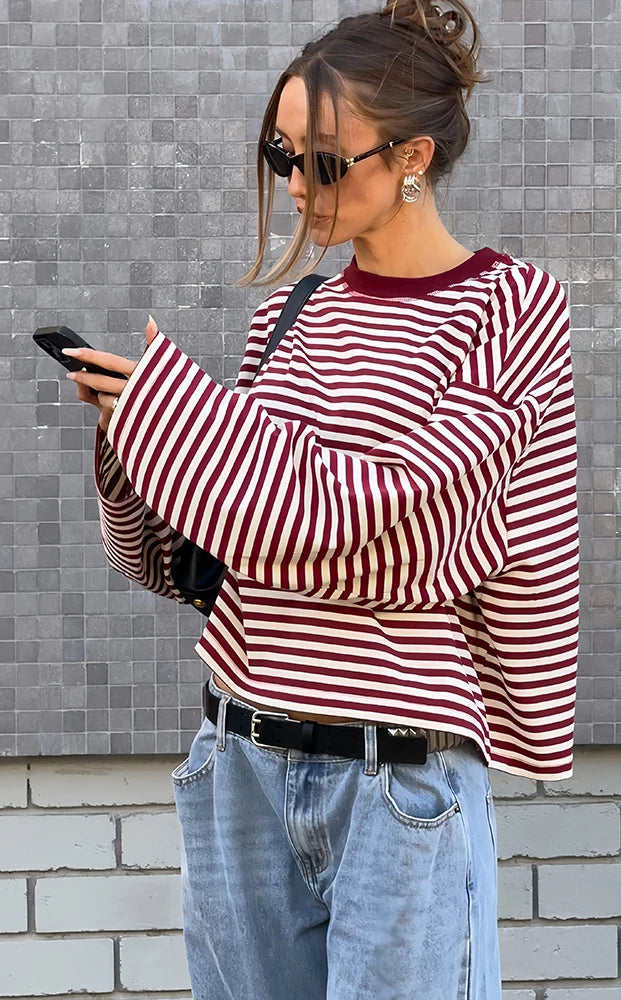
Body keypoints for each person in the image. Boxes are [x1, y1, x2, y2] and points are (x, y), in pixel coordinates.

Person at [65, 1, 579, 996]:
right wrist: (132, 441)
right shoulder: (289, 314)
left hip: (397, 785)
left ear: (413, 155)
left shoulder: (509, 309)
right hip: (238, 763)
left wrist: (191, 429)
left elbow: (404, 531)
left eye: (327, 160)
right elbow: (202, 559)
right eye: (282, 154)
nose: (297, 185)